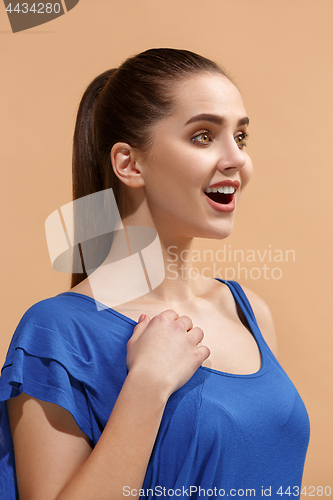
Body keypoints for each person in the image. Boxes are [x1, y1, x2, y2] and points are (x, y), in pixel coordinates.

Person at [0, 48, 310, 500]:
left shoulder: (249, 313)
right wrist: (146, 388)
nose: (236, 159)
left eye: (240, 138)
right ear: (129, 164)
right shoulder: (58, 335)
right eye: (204, 136)